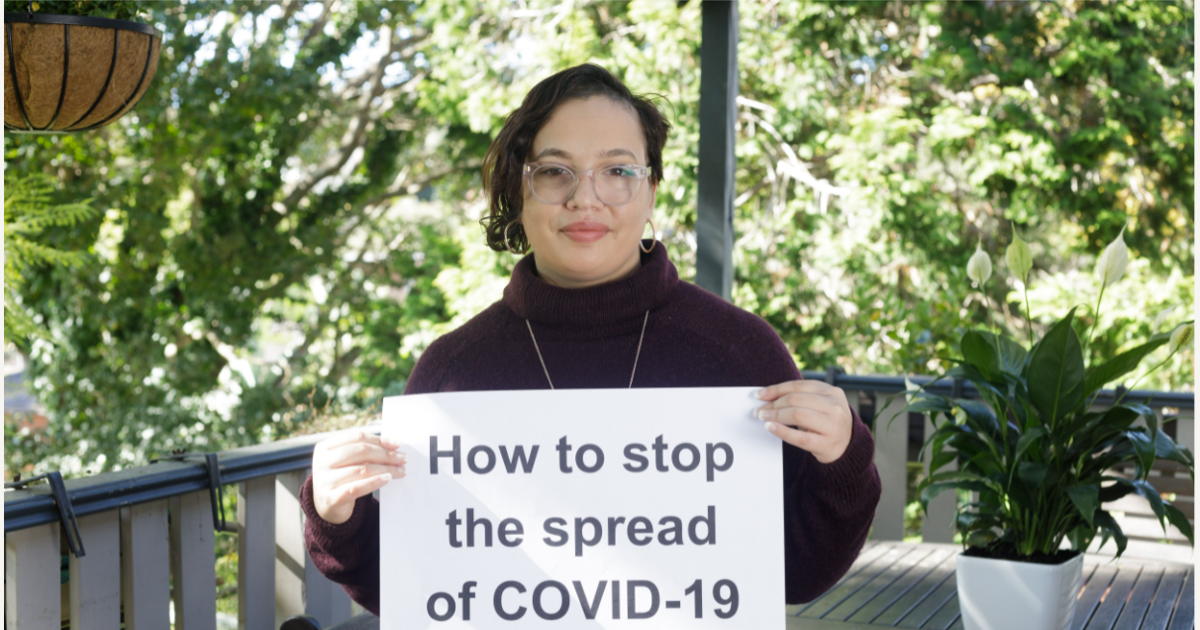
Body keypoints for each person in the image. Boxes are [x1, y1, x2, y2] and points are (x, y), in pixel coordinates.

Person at [300, 63, 881, 617]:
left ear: (651, 190)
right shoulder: (452, 372)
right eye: (554, 171)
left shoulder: (740, 353)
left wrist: (843, 459)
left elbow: (801, 574)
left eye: (618, 171)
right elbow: (419, 589)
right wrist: (335, 513)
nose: (586, 197)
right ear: (516, 192)